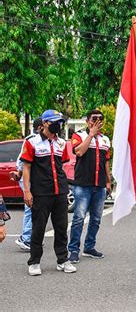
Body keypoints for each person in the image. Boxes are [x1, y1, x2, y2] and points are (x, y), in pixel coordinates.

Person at [21, 110, 77, 276]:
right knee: (38, 228)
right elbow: (26, 167)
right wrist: (27, 191)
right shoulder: (33, 143)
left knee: (61, 228)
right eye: (55, 122)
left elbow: (62, 165)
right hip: (41, 192)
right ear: (45, 123)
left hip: (60, 191)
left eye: (60, 122)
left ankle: (63, 260)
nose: (58, 125)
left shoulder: (61, 143)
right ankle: (34, 262)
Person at [68, 110, 112, 263]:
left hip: (99, 185)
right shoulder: (79, 136)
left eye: (100, 118)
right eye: (94, 118)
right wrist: (91, 134)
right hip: (83, 184)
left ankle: (89, 247)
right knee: (79, 218)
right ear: (87, 121)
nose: (97, 121)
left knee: (96, 219)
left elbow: (106, 161)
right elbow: (79, 152)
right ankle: (73, 250)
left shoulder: (106, 140)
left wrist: (108, 181)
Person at [9, 117, 43, 251]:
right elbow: (22, 162)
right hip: (28, 178)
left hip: (33, 178)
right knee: (31, 208)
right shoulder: (32, 139)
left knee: (34, 209)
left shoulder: (37, 139)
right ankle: (25, 238)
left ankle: (30, 237)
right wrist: (19, 175)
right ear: (41, 127)